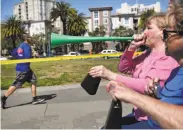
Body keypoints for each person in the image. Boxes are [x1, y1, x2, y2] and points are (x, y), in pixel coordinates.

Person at [89, 13, 178, 124]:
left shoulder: (169, 57)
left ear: (162, 32)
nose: (144, 32)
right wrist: (131, 48)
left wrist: (111, 75)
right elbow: (123, 68)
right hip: (140, 114)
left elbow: (146, 85)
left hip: (155, 120)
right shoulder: (147, 53)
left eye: (149, 28)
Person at [106, 2, 183, 129]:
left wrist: (131, 95)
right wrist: (156, 95)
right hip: (145, 116)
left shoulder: (170, 59)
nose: (144, 32)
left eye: (167, 34)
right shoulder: (149, 55)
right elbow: (124, 68)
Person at [1, 34, 45, 109]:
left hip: (25, 68)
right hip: (23, 69)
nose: (32, 40)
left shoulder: (21, 45)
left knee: (33, 80)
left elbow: (14, 54)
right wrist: (35, 55)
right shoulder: (27, 46)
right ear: (27, 39)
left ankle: (35, 99)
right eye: (31, 38)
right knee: (17, 85)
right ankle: (4, 98)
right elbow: (28, 57)